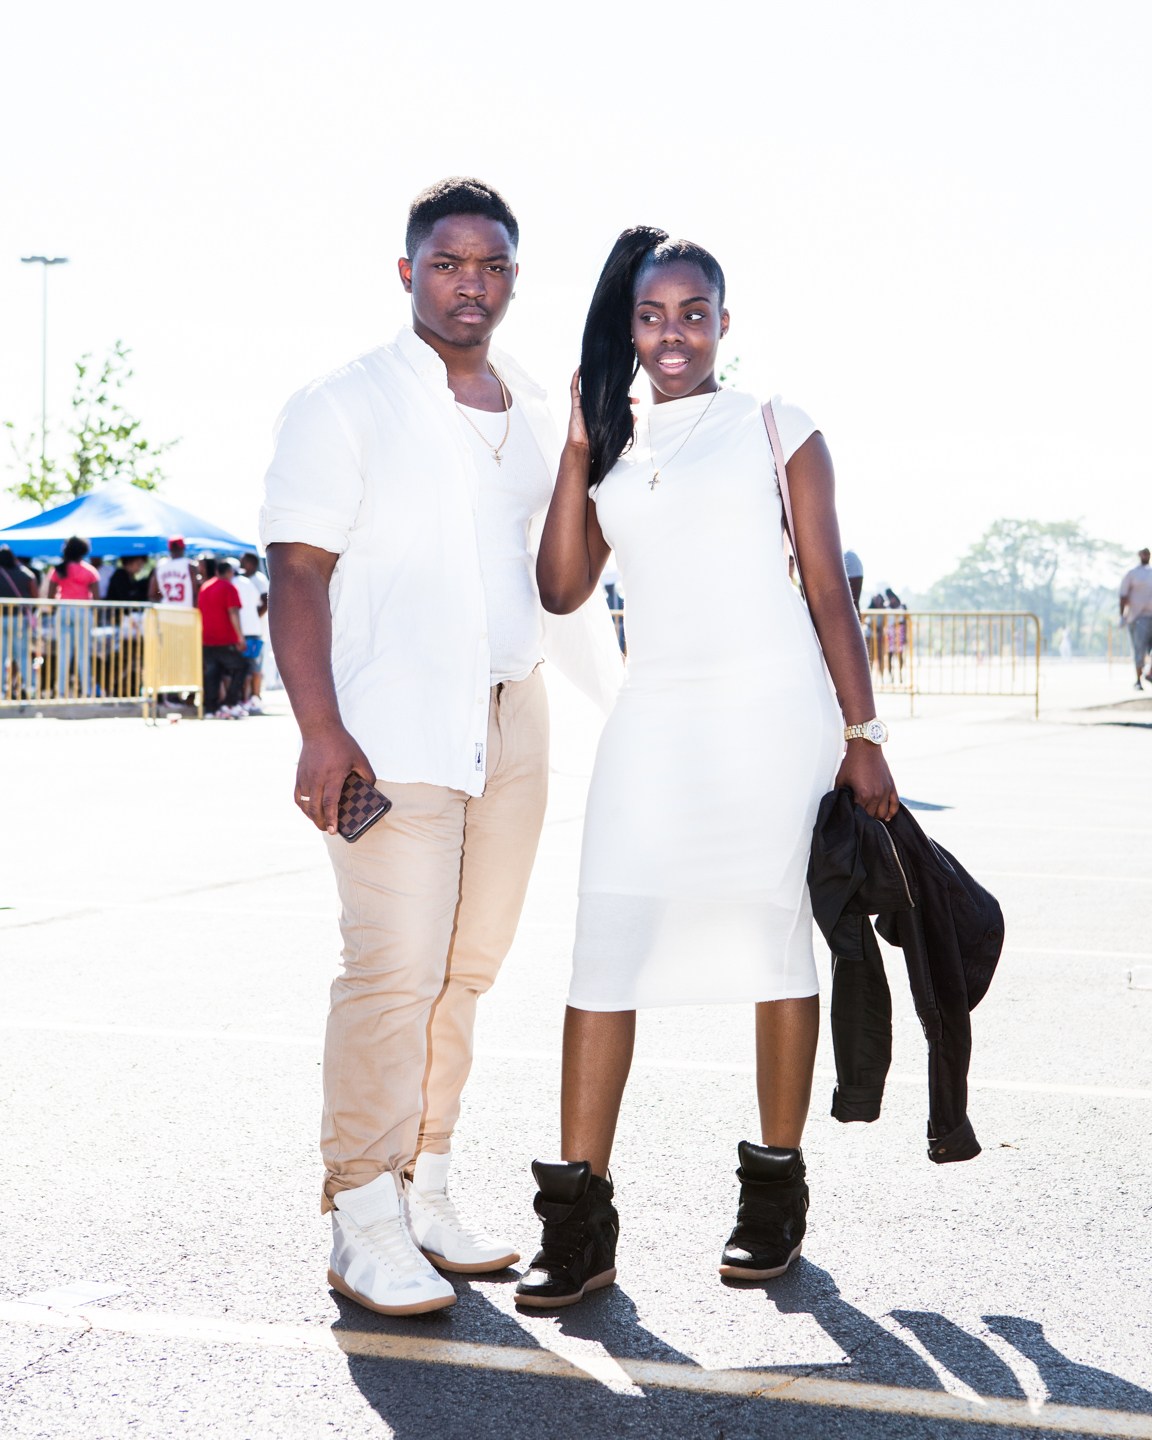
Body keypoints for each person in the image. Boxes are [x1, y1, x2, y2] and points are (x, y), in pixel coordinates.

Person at [515, 227, 898, 1310]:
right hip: (659, 716)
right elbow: (559, 588)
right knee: (606, 943)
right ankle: (579, 1221)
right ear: (628, 326)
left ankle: (773, 1194)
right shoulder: (614, 436)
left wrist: (862, 738)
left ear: (726, 323)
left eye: (693, 313)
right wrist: (582, 449)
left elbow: (829, 592)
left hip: (778, 714)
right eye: (652, 315)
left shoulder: (779, 425)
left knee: (776, 938)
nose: (672, 333)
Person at [260, 177, 620, 1320]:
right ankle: (361, 1212)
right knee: (392, 969)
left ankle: (426, 1185)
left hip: (512, 716)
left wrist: (577, 449)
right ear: (407, 270)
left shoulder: (526, 402)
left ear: (515, 278)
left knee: (467, 969)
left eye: (495, 264)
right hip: (389, 730)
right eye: (452, 261)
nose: (474, 281)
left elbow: (557, 574)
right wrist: (321, 728)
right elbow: (297, 572)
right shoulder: (343, 402)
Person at [48, 535, 100, 698]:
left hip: (63, 611)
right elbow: (97, 597)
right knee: (83, 653)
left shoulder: (59, 569)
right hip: (83, 611)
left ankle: (61, 690)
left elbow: (50, 595)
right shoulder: (89, 571)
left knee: (64, 652)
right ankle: (87, 690)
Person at [197, 558, 247, 717]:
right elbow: (233, 612)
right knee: (242, 667)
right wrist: (240, 637)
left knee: (213, 674)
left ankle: (211, 709)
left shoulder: (205, 587)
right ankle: (230, 703)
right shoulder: (229, 587)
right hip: (224, 638)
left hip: (206, 638)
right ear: (230, 572)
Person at [0, 546, 38, 699]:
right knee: (22, 655)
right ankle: (31, 688)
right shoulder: (26, 574)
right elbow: (35, 598)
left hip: (1, 619)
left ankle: (2, 692)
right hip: (20, 620)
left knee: (1, 656)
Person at [1119, 547, 1152, 689]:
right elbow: (1123, 596)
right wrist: (1122, 616)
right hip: (1137, 617)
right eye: (1143, 553)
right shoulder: (1132, 574)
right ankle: (1138, 680)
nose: (1145, 555)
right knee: (1139, 649)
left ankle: (1149, 673)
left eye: (1148, 553)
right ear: (1139, 555)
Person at [149, 536, 200, 607]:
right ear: (183, 548)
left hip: (167, 611)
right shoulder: (189, 566)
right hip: (187, 612)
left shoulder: (160, 566)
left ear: (169, 548)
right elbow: (196, 592)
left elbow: (152, 594)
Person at [885, 587, 908, 684]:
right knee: (890, 654)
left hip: (900, 631)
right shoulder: (887, 607)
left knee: (900, 654)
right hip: (890, 632)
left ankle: (900, 675)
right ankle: (891, 676)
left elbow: (905, 622)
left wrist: (905, 635)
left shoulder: (902, 606)